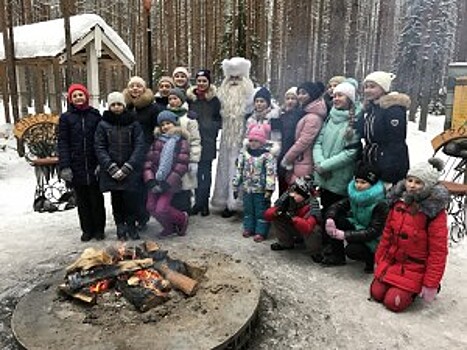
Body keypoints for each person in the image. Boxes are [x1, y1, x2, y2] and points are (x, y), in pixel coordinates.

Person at [370, 158, 449, 312]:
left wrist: (430, 283)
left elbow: (438, 252)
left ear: (428, 185)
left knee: (394, 303)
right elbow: (387, 235)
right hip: (392, 262)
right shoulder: (398, 203)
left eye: (418, 182)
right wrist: (379, 260)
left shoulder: (433, 212)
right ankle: (395, 283)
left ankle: (414, 291)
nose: (412, 185)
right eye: (410, 180)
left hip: (415, 267)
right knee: (376, 293)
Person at [313, 78, 363, 266]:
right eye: (334, 95)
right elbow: (318, 141)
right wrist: (319, 162)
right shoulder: (331, 116)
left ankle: (337, 253)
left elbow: (351, 152)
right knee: (326, 211)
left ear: (349, 98)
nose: (335, 98)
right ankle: (329, 248)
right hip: (324, 173)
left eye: (340, 95)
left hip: (339, 176)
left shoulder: (355, 120)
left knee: (334, 215)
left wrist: (326, 165)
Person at [94, 92, 146, 241]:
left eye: (119, 104)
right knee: (116, 200)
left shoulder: (133, 123)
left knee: (131, 199)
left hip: (130, 170)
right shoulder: (103, 124)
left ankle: (131, 225)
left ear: (124, 106)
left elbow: (139, 145)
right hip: (111, 170)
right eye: (113, 105)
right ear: (109, 106)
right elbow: (99, 146)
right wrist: (111, 167)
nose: (116, 107)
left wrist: (129, 166)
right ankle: (120, 225)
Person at [57, 83, 106, 242]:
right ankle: (87, 229)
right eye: (75, 96)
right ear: (71, 99)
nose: (78, 98)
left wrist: (101, 162)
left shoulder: (95, 115)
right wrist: (65, 166)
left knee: (96, 199)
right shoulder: (66, 118)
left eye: (81, 95)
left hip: (93, 164)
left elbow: (101, 140)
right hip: (76, 164)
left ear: (86, 96)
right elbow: (63, 142)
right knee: (82, 200)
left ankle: (99, 229)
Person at [324, 163, 388, 272]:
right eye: (357, 181)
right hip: (358, 227)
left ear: (372, 184)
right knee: (337, 220)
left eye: (363, 182)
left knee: (352, 251)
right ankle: (337, 256)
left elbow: (374, 231)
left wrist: (345, 235)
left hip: (375, 239)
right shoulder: (356, 195)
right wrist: (330, 218)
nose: (358, 185)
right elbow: (337, 206)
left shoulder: (380, 204)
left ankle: (371, 259)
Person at [211, 57, 255, 218]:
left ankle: (240, 203)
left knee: (241, 169)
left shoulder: (251, 97)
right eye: (231, 78)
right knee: (224, 169)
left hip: (244, 139)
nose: (234, 81)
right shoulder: (221, 96)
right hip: (226, 139)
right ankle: (224, 202)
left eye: (238, 78)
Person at [358, 71, 411, 186]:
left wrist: (388, 169)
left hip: (388, 165)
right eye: (366, 87)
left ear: (383, 88)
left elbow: (396, 142)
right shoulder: (371, 109)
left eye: (372, 86)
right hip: (371, 161)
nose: (367, 90)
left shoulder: (393, 109)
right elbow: (364, 134)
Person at [143, 110, 190, 237]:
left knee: (162, 208)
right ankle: (169, 227)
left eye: (168, 123)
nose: (165, 127)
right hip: (155, 180)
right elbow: (148, 162)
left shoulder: (181, 141)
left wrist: (166, 184)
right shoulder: (157, 141)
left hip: (169, 183)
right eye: (162, 124)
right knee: (151, 207)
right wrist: (150, 180)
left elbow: (182, 165)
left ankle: (182, 218)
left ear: (175, 124)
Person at [124, 76, 162, 231]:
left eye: (138, 86)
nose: (135, 89)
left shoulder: (152, 108)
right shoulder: (125, 107)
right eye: (132, 86)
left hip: (146, 152)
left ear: (144, 89)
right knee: (129, 188)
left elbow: (158, 130)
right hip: (127, 153)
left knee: (142, 187)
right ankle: (130, 218)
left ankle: (143, 218)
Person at [186, 69, 222, 216]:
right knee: (194, 172)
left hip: (208, 140)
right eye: (199, 80)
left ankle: (204, 203)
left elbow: (219, 119)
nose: (201, 84)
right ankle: (197, 203)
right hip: (193, 140)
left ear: (209, 82)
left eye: (204, 81)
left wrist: (211, 127)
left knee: (205, 173)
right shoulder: (190, 99)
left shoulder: (214, 100)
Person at [232, 124, 276, 242]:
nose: (253, 143)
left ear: (262, 142)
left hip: (261, 190)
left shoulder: (267, 156)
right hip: (247, 188)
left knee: (261, 211)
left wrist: (269, 188)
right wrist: (235, 185)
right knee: (248, 210)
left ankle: (260, 231)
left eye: (256, 141)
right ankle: (249, 228)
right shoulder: (244, 154)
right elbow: (239, 170)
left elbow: (270, 173)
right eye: (251, 140)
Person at [279, 81, 327, 185]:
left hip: (304, 161)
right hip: (300, 160)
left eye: (304, 93)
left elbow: (303, 141)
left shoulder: (313, 117)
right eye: (299, 93)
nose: (300, 96)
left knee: (299, 196)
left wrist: (287, 158)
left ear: (312, 94)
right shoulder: (307, 113)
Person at [166, 88, 202, 213]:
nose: (172, 101)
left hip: (184, 158)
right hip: (169, 159)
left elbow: (195, 140)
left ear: (181, 100)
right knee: (171, 187)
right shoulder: (165, 116)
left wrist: (194, 160)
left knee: (184, 188)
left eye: (175, 98)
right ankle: (173, 214)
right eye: (170, 99)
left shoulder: (189, 119)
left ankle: (184, 213)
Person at [265, 175, 321, 254]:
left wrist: (294, 219)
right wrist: (276, 211)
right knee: (277, 218)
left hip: (305, 229)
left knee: (315, 229)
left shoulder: (312, 205)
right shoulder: (287, 199)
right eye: (292, 192)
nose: (293, 195)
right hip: (295, 226)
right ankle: (285, 243)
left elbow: (309, 226)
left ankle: (314, 251)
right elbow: (270, 214)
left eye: (297, 193)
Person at [276, 87, 301, 195]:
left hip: (292, 153)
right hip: (282, 151)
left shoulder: (299, 115)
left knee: (290, 186)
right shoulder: (282, 115)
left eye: (293, 98)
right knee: (282, 184)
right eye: (288, 98)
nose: (290, 101)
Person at [244, 86, 281, 157]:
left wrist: (272, 151)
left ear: (268, 103)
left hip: (268, 153)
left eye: (262, 101)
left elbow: (276, 137)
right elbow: (247, 135)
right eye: (257, 101)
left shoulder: (274, 117)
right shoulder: (251, 118)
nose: (259, 104)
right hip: (253, 152)